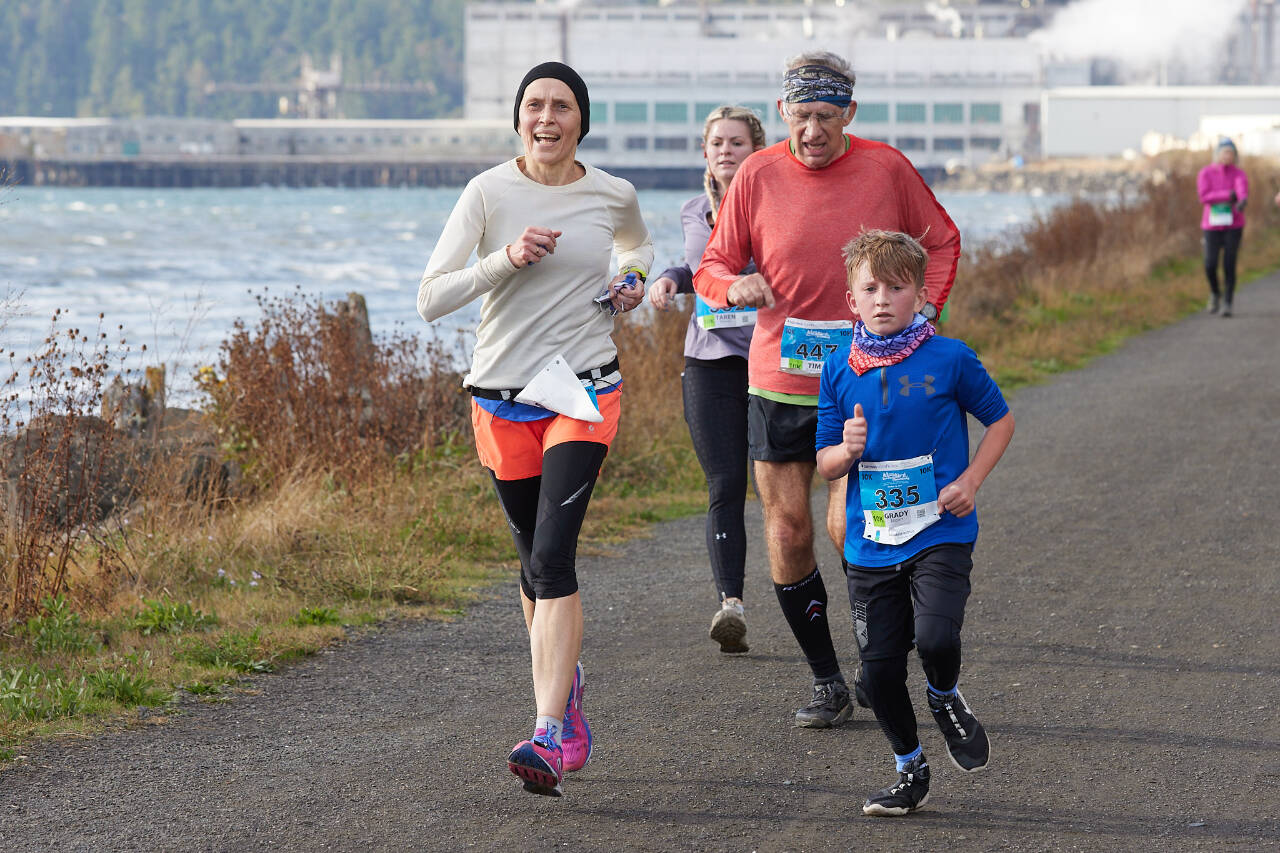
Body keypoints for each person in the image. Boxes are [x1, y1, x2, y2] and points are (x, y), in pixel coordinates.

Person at [694, 51, 961, 728]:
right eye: (801, 115)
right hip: (778, 380)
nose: (812, 130)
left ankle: (879, 660)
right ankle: (826, 678)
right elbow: (713, 267)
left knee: (853, 525)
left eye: (826, 115)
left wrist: (924, 312)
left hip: (866, 377)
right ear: (782, 111)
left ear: (850, 113)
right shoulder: (755, 174)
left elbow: (944, 240)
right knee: (787, 530)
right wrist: (735, 285)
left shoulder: (886, 167)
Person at [417, 61, 653, 798]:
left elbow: (635, 246)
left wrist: (634, 282)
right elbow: (431, 297)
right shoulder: (489, 192)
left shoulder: (612, 192)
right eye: (533, 106)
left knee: (554, 560)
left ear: (581, 118)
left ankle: (547, 731)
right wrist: (505, 260)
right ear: (518, 118)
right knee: (531, 568)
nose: (545, 118)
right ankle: (567, 683)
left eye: (560, 106)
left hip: (583, 393)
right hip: (500, 397)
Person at [815, 229, 1014, 816]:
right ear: (850, 300)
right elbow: (822, 459)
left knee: (935, 638)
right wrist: (845, 453)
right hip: (871, 540)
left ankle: (945, 695)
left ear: (920, 294)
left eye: (896, 288)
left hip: (940, 529)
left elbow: (999, 422)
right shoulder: (836, 369)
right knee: (877, 678)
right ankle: (910, 768)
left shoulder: (950, 358)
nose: (882, 299)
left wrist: (970, 482)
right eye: (869, 288)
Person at [648, 105, 767, 654]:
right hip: (709, 361)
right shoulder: (694, 209)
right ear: (705, 152)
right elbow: (698, 268)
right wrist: (670, 280)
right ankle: (731, 606)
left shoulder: (778, 204)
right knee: (725, 484)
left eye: (736, 142)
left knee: (781, 489)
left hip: (773, 360)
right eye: (716, 142)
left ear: (757, 150)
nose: (725, 151)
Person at [1197, 138, 1248, 317]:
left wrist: (1241, 200)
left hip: (1234, 224)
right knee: (1210, 264)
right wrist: (1228, 194)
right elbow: (1204, 197)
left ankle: (1227, 303)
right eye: (1225, 152)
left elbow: (1241, 189)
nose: (1228, 156)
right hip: (1211, 225)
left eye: (1231, 153)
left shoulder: (1238, 174)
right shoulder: (1206, 173)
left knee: (1229, 264)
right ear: (1217, 154)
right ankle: (1215, 293)